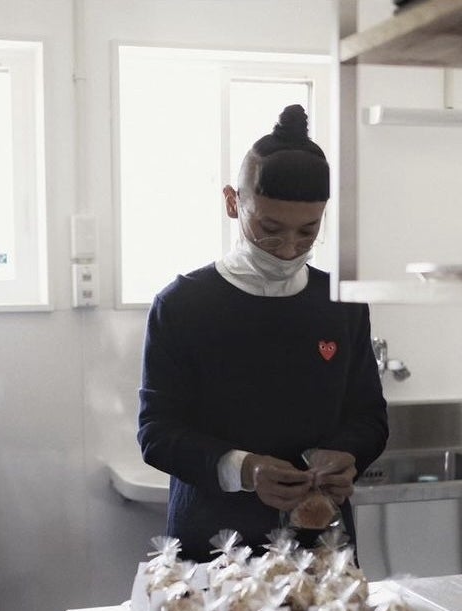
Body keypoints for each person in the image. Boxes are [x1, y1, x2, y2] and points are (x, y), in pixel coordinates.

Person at [137, 105, 389, 563]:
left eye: (308, 231)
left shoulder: (342, 304)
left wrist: (347, 456)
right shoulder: (183, 306)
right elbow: (157, 433)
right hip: (213, 546)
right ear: (233, 203)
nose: (289, 248)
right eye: (269, 229)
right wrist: (244, 469)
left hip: (322, 545)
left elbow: (369, 418)